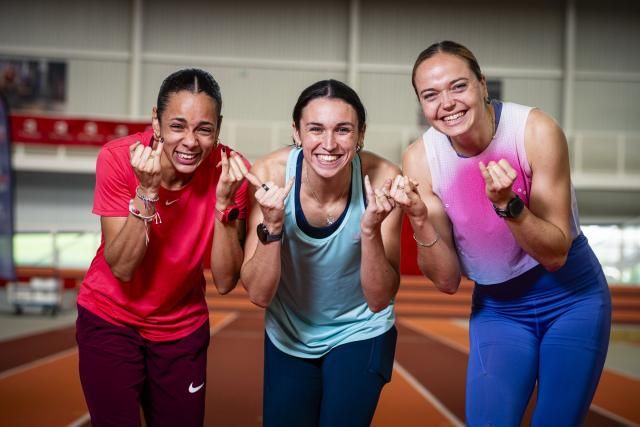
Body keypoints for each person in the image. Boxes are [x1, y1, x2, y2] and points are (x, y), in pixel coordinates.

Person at [396, 40, 611, 426]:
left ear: (482, 85)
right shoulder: (420, 159)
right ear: (421, 105)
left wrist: (509, 206)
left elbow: (556, 253)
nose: (446, 103)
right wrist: (419, 218)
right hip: (498, 308)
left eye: (458, 86)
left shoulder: (534, 131)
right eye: (431, 95)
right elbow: (446, 281)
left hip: (571, 298)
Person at [76, 68, 250, 427]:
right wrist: (147, 192)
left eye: (204, 129)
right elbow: (122, 267)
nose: (190, 141)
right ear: (155, 121)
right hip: (110, 318)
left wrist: (224, 207)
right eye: (177, 125)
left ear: (218, 127)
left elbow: (225, 280)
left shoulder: (231, 172)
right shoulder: (118, 158)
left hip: (181, 330)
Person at [239, 79, 402, 427]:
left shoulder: (384, 179)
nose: (329, 144)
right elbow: (258, 293)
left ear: (361, 134)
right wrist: (273, 226)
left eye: (343, 130)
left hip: (360, 328)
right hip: (289, 332)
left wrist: (370, 230)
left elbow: (379, 298)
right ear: (296, 132)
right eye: (315, 129)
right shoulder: (269, 175)